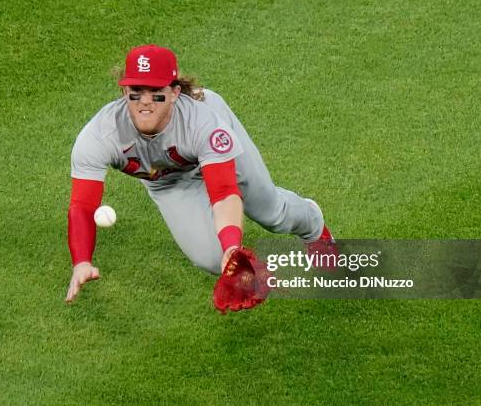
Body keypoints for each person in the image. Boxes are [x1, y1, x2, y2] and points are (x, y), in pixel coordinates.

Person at [65, 44, 336, 303]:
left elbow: (224, 192)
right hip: (167, 181)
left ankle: (313, 226)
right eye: (136, 91)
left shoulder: (203, 121)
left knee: (271, 213)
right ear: (125, 93)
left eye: (156, 91)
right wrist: (82, 261)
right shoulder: (101, 135)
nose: (145, 102)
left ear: (174, 91)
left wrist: (232, 245)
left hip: (213, 154)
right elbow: (82, 205)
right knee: (212, 259)